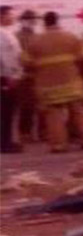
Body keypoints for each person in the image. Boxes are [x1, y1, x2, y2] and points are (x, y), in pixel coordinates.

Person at [21, 11, 83, 153]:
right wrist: (80, 73)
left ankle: (59, 145)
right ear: (58, 21)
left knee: (53, 116)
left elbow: (25, 62)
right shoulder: (71, 38)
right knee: (80, 112)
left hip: (48, 87)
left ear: (45, 23)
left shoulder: (35, 42)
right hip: (72, 84)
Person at [0, 6, 24, 153]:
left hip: (4, 76)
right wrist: (12, 76)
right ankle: (5, 143)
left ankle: (5, 141)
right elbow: (7, 58)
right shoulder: (2, 35)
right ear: (2, 16)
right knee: (6, 112)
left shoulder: (6, 33)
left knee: (6, 112)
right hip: (4, 78)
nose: (13, 17)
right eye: (10, 15)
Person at [15, 9, 40, 143]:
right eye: (30, 19)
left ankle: (39, 132)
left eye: (33, 19)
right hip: (24, 75)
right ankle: (24, 133)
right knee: (26, 106)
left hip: (36, 75)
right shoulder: (18, 36)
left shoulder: (36, 36)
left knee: (38, 106)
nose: (32, 22)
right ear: (23, 21)